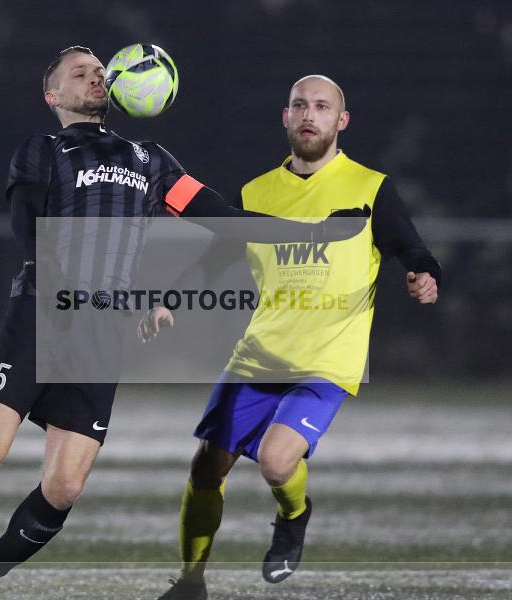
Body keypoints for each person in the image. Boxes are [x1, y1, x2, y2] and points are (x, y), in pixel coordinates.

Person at [0, 48, 369, 600]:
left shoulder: (148, 160)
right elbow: (31, 232)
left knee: (63, 487)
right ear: (53, 96)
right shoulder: (43, 149)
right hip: (42, 316)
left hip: (101, 336)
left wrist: (315, 232)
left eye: (98, 69)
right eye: (78, 72)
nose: (95, 76)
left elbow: (221, 218)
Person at [145, 74, 442, 600]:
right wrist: (171, 297)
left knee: (278, 461)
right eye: (300, 105)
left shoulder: (370, 187)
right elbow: (216, 256)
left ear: (340, 121)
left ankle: (294, 516)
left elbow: (411, 247)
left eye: (322, 106)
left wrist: (422, 273)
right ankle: (191, 582)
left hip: (328, 361)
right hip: (259, 356)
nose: (310, 114)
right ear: (285, 117)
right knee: (206, 469)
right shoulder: (256, 192)